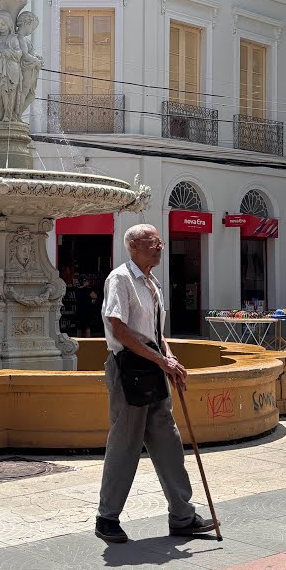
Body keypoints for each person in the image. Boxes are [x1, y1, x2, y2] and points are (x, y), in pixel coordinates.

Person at [95, 223, 216, 544]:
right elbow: (118, 327)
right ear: (134, 246)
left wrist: (170, 360)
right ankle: (107, 517)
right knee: (125, 442)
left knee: (168, 441)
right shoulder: (121, 278)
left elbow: (155, 333)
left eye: (160, 242)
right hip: (129, 368)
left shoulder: (151, 282)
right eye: (153, 242)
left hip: (153, 366)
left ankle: (182, 515)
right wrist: (161, 360)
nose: (160, 246)